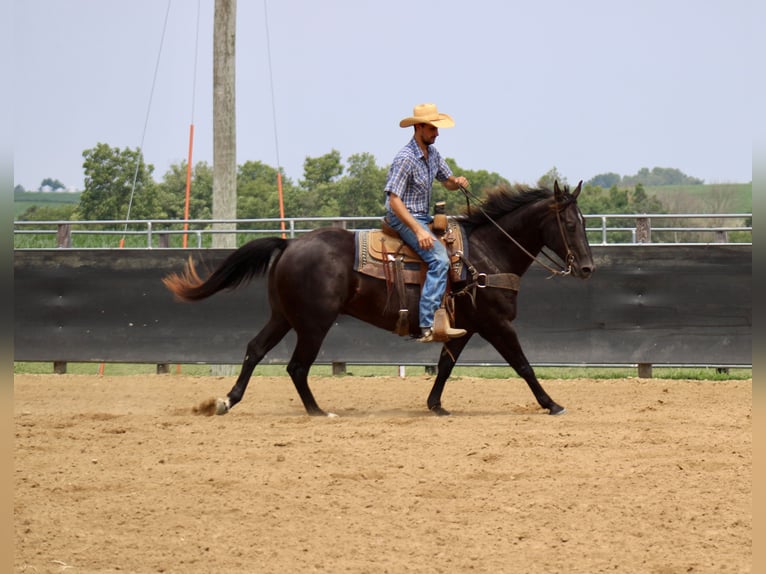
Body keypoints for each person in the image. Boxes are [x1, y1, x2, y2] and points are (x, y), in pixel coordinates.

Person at [384, 103, 469, 343]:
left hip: (423, 216)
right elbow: (394, 199)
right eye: (432, 128)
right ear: (418, 127)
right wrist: (417, 229)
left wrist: (458, 182)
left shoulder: (433, 155)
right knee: (439, 259)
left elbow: (447, 181)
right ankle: (428, 324)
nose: (437, 133)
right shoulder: (405, 158)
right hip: (403, 217)